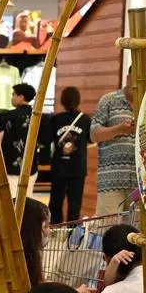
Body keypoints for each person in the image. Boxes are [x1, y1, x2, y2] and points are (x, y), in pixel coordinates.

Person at [91, 66, 146, 216]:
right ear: (128, 78)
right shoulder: (109, 101)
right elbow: (94, 134)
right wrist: (120, 129)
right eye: (137, 78)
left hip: (142, 183)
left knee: (138, 234)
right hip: (111, 181)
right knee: (106, 229)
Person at [47, 86, 91, 224]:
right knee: (75, 203)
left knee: (55, 202)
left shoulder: (56, 119)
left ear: (62, 101)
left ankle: (55, 230)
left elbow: (47, 138)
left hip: (58, 166)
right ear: (78, 100)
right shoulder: (85, 120)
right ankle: (72, 235)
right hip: (78, 167)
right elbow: (91, 139)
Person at [0, 83, 42, 197]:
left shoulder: (10, 116)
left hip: (12, 164)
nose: (12, 97)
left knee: (13, 198)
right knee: (28, 197)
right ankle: (27, 215)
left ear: (21, 97)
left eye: (14, 94)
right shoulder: (38, 116)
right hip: (31, 164)